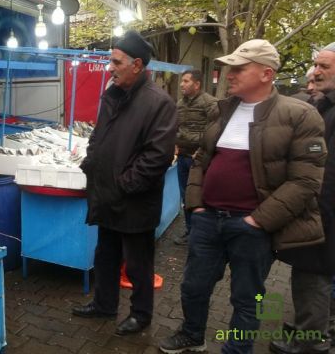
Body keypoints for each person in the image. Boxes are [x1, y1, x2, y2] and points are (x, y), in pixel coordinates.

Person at [159, 39, 326, 354]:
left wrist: (257, 221)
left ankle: (237, 349)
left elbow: (305, 181)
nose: (228, 74)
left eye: (238, 68)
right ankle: (193, 335)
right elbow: (201, 160)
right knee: (193, 286)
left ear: (266, 73)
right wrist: (195, 206)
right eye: (228, 68)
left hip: (251, 227)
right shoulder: (223, 109)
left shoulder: (299, 115)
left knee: (249, 298)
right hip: (208, 220)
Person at [72, 30, 177, 336]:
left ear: (137, 64)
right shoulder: (112, 95)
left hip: (134, 201)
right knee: (104, 256)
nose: (111, 67)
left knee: (137, 264)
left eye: (116, 61)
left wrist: (123, 185)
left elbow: (158, 157)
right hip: (107, 196)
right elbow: (97, 136)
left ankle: (141, 314)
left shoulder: (160, 103)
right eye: (110, 61)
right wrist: (91, 164)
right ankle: (104, 305)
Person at [270, 42, 335, 354]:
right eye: (316, 65)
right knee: (307, 277)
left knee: (315, 278)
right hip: (315, 210)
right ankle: (305, 330)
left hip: (324, 214)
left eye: (324, 66)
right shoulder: (323, 105)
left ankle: (310, 343)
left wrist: (316, 211)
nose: (316, 71)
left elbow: (328, 170)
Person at [173, 69, 218, 245]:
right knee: (186, 197)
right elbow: (177, 127)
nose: (181, 84)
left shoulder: (210, 103)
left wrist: (200, 149)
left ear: (197, 84)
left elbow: (214, 131)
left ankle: (201, 233)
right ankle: (190, 230)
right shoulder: (180, 104)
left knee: (199, 197)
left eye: (186, 81)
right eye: (182, 81)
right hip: (183, 157)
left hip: (199, 160)